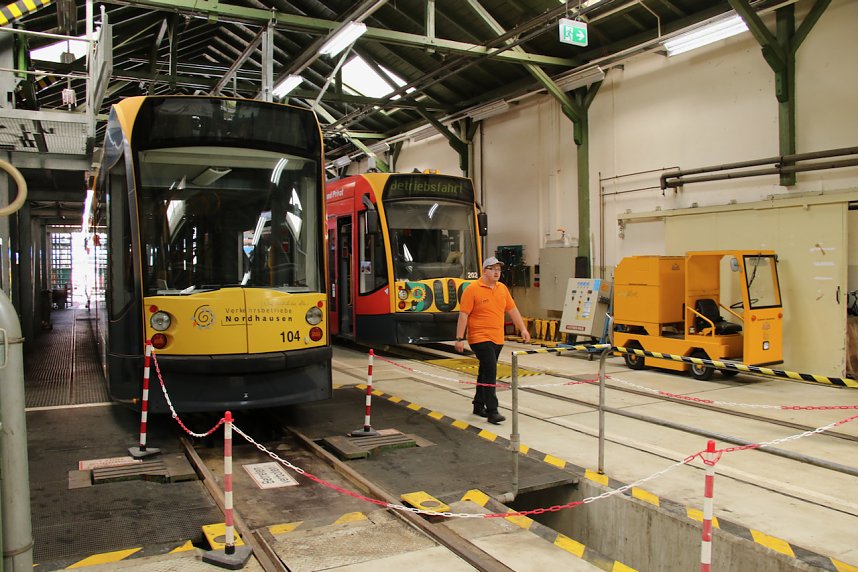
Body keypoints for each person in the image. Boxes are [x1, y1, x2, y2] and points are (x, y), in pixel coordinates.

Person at [454, 256, 531, 424]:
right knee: (491, 371)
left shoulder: (502, 289)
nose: (497, 272)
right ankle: (492, 410)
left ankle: (478, 404)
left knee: (485, 370)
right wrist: (459, 338)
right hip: (479, 337)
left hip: (497, 338)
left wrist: (523, 329)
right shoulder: (472, 289)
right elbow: (463, 315)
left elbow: (512, 310)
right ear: (484, 271)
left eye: (499, 269)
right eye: (493, 269)